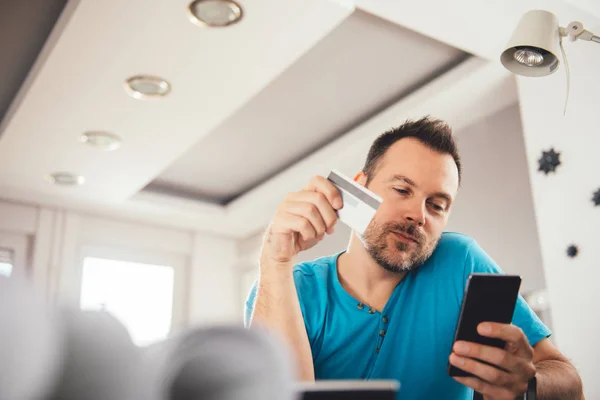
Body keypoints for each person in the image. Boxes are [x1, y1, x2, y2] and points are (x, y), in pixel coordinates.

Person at [245, 117, 584, 399]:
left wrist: (529, 382)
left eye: (436, 205)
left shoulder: (461, 263)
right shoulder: (290, 289)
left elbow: (570, 380)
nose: (417, 215)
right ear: (361, 186)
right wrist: (274, 262)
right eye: (402, 190)